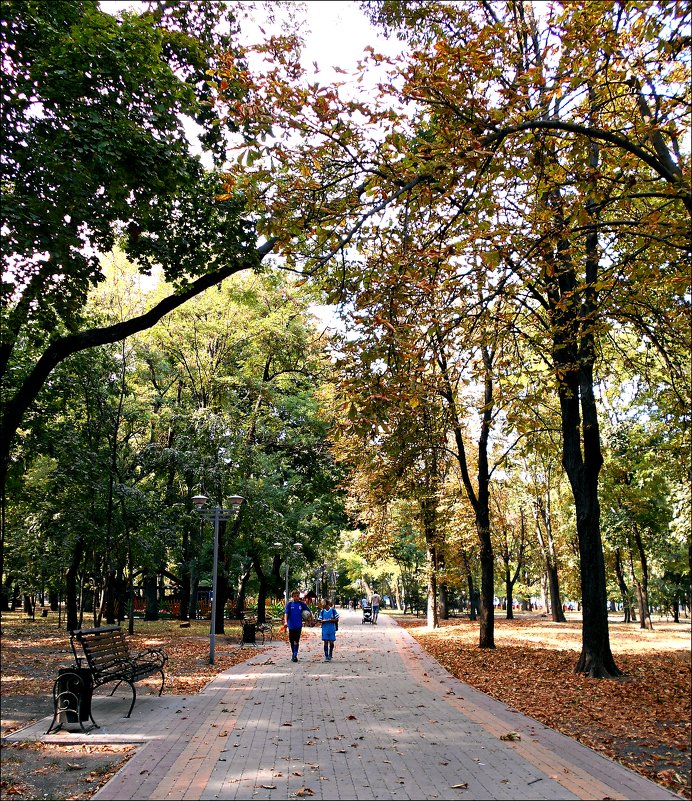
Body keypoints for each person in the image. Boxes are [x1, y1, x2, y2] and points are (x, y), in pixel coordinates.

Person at [283, 589, 313, 662]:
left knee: (296, 640)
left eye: (297, 596)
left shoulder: (301, 604)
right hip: (291, 625)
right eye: (295, 596)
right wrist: (285, 622)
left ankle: (295, 655)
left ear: (299, 596)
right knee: (291, 640)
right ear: (292, 597)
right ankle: (293, 653)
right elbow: (286, 614)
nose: (296, 597)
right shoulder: (289, 604)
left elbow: (309, 611)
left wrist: (312, 619)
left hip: (298, 625)